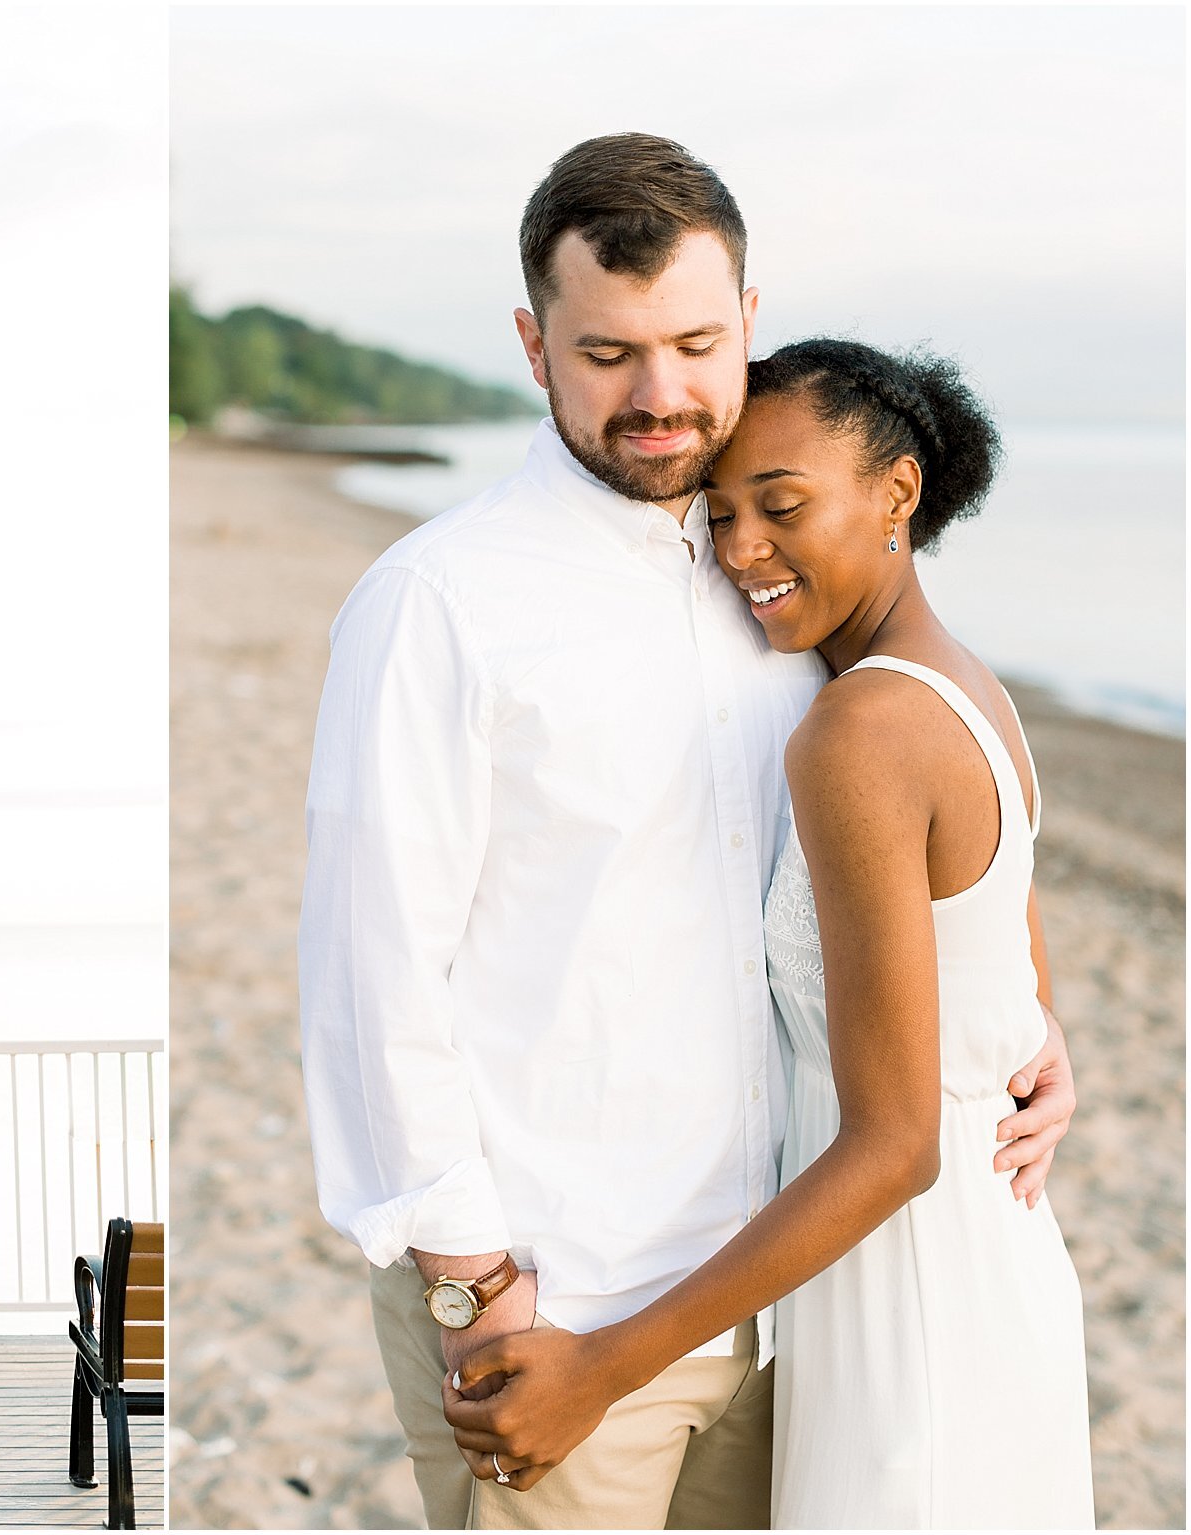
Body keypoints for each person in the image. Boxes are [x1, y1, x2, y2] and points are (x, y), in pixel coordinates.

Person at [297, 133, 1077, 1530]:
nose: (662, 397)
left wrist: (1020, 1020)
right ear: (535, 346)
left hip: (793, 1310)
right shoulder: (441, 603)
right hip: (563, 1305)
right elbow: (374, 978)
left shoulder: (774, 576)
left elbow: (946, 809)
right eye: (608, 354)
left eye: (696, 343)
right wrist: (478, 1285)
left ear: (749, 324)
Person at [441, 340, 1094, 1527]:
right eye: (719, 513)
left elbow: (893, 1145)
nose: (740, 548)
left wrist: (602, 1365)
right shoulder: (964, 685)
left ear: (896, 492)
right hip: (977, 1267)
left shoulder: (861, 732)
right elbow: (1007, 950)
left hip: (913, 1307)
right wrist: (1035, 1036)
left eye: (781, 506)